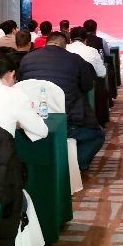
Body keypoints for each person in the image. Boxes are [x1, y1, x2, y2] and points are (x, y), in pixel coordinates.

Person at [18, 32, 103, 169]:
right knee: (97, 134)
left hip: (31, 119)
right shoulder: (75, 59)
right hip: (66, 121)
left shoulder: (27, 58)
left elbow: (22, 83)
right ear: (65, 46)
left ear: (46, 43)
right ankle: (73, 167)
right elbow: (87, 86)